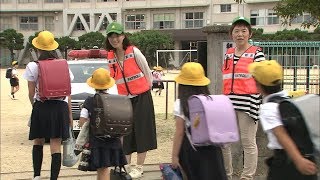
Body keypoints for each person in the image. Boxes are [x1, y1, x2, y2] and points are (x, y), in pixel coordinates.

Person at [248, 60, 318, 180]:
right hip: (307, 158)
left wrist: (298, 160)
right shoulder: (290, 99)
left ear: (258, 84)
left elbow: (281, 135)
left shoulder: (268, 108)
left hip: (287, 161)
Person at [105, 22, 157, 179]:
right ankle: (126, 165)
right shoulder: (110, 56)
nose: (115, 39)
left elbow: (147, 72)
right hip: (124, 99)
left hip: (141, 96)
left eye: (117, 35)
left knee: (142, 131)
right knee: (126, 133)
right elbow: (113, 78)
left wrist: (145, 90)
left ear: (123, 36)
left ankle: (139, 167)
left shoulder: (134, 51)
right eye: (111, 36)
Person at [23, 30, 72, 180]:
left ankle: (37, 175)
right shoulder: (64, 65)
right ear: (53, 48)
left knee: (38, 140)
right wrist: (69, 114)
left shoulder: (33, 66)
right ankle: (53, 178)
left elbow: (31, 92)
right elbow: (69, 92)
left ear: (38, 49)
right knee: (55, 144)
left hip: (42, 105)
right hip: (60, 107)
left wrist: (35, 107)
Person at [221, 16, 266, 180]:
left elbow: (263, 79)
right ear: (231, 34)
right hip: (228, 104)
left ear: (250, 33)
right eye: (236, 31)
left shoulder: (257, 53)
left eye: (243, 31)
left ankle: (247, 177)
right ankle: (227, 175)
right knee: (224, 142)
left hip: (248, 104)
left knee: (248, 142)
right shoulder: (228, 53)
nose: (240, 34)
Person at [172, 62, 227, 180]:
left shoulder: (181, 104)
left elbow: (180, 132)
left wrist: (174, 156)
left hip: (192, 150)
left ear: (182, 84)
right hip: (213, 150)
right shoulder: (210, 100)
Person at [78, 68, 127, 180]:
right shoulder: (116, 100)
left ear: (93, 85)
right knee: (104, 170)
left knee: (102, 170)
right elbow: (121, 123)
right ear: (108, 84)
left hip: (97, 142)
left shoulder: (89, 101)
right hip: (114, 141)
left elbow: (82, 120)